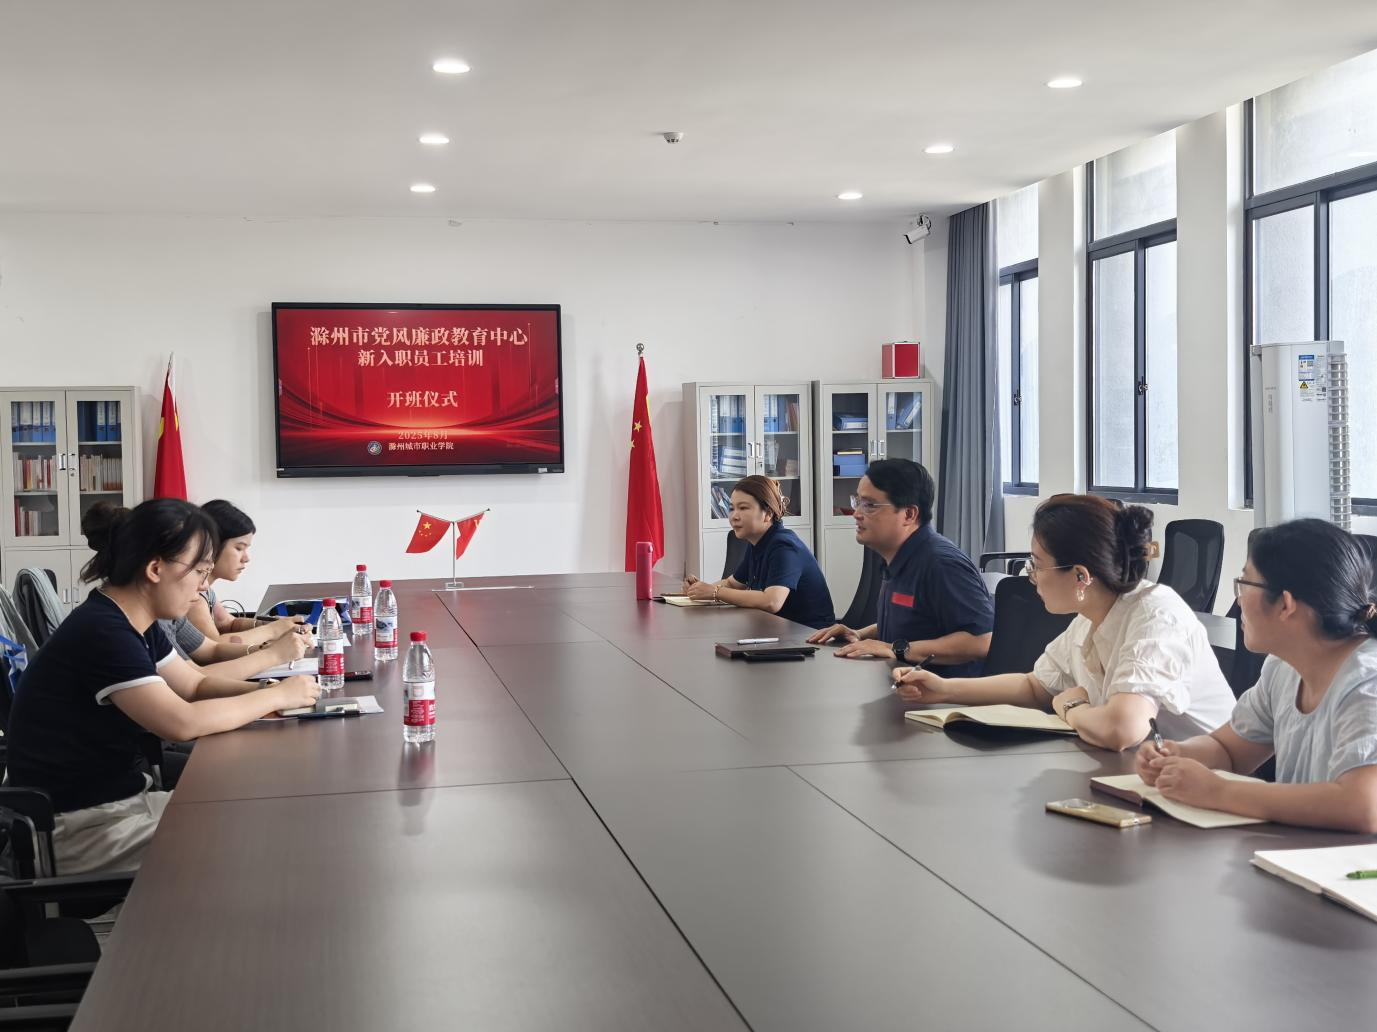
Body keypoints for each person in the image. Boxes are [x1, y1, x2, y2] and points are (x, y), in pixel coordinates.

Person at [5, 499, 320, 874]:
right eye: (199, 571)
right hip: (77, 829)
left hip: (122, 805)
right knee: (259, 836)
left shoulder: (134, 621)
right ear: (155, 569)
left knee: (264, 803)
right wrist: (277, 695)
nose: (202, 586)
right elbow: (181, 722)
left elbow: (194, 685)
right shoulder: (104, 632)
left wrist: (270, 691)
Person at [893, 493, 1234, 750]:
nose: (1031, 576)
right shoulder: (1092, 617)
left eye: (1037, 564)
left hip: (1207, 793)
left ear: (1081, 576)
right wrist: (943, 689)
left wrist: (1072, 707)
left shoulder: (1155, 617)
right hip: (1147, 777)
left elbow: (1122, 729)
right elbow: (1036, 687)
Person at [1136, 519, 1377, 832]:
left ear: (1285, 605)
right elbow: (1228, 750)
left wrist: (1219, 791)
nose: (1238, 600)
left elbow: (1363, 805)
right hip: (1297, 852)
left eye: (1244, 584)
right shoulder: (1283, 668)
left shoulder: (1366, 682)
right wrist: (1178, 754)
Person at [805, 459, 993, 674]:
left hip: (939, 692)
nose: (856, 513)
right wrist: (859, 634)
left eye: (870, 505)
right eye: (858, 501)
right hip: (901, 683)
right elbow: (916, 622)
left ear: (909, 514)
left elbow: (982, 641)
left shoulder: (941, 564)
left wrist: (896, 649)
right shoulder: (897, 557)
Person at [681, 476, 834, 628]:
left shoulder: (784, 547)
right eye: (732, 508)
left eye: (743, 508)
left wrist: (715, 592)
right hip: (778, 629)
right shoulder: (758, 542)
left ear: (768, 513)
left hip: (810, 635)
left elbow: (772, 601)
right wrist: (699, 590)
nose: (734, 516)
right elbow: (732, 584)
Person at [186, 499, 309, 647]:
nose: (246, 558)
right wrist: (272, 630)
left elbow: (229, 623)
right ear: (212, 544)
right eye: (239, 548)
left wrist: (275, 624)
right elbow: (215, 646)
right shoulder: (194, 598)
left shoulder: (206, 591)